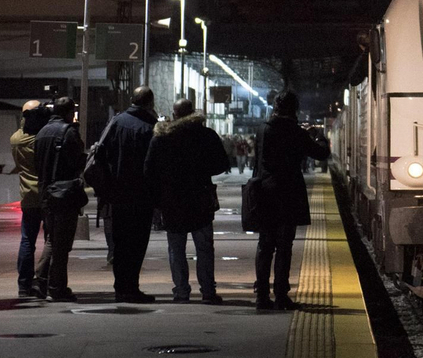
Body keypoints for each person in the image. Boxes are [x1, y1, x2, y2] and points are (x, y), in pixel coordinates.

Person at [145, 98, 231, 303]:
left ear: (174, 114)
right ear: (192, 112)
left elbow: (149, 170)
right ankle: (208, 291)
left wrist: (157, 199)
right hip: (200, 198)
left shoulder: (161, 137)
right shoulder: (206, 135)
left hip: (171, 201)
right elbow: (222, 164)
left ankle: (182, 291)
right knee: (204, 248)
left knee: (176, 248)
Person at [252, 90, 330, 311]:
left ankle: (261, 298)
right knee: (284, 246)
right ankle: (281, 295)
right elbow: (321, 154)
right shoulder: (295, 132)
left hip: (264, 193)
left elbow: (257, 163)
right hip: (288, 194)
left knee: (265, 245)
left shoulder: (263, 129)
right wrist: (319, 136)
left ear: (275, 107)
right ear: (294, 109)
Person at [96, 86, 160, 303]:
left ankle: (120, 286)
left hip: (118, 193)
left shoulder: (116, 121)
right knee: (137, 243)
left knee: (120, 243)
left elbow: (100, 153)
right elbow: (154, 165)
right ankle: (131, 287)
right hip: (141, 195)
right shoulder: (150, 127)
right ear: (149, 103)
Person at [34, 96, 86, 302]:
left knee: (52, 240)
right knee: (62, 244)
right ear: (69, 112)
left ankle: (41, 280)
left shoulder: (41, 132)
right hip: (64, 193)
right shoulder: (68, 132)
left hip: (46, 192)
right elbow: (77, 161)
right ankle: (57, 287)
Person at [10, 100, 54, 299]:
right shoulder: (44, 137)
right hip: (47, 194)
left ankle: (23, 284)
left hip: (28, 194)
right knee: (51, 240)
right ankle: (44, 279)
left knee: (27, 241)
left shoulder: (16, 139)